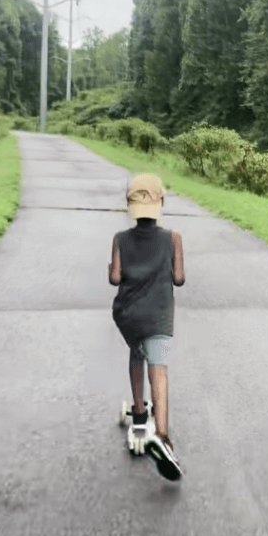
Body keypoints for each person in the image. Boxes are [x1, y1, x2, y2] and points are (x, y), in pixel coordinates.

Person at [108, 173, 185, 481]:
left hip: (129, 315)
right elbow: (179, 278)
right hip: (160, 314)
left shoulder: (119, 239)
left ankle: (139, 415)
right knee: (160, 370)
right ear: (160, 204)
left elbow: (115, 278)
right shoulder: (173, 238)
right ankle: (163, 437)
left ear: (131, 205)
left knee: (136, 353)